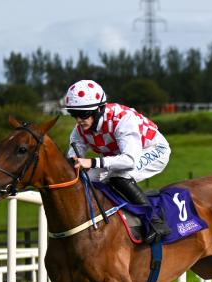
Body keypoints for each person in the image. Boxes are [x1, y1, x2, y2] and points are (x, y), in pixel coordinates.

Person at [64, 79, 171, 244]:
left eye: (83, 114)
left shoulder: (122, 119)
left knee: (118, 175)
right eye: (74, 114)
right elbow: (73, 161)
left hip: (153, 150)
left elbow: (129, 160)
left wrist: (92, 163)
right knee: (86, 179)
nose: (78, 120)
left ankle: (155, 221)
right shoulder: (79, 131)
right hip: (120, 156)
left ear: (99, 109)